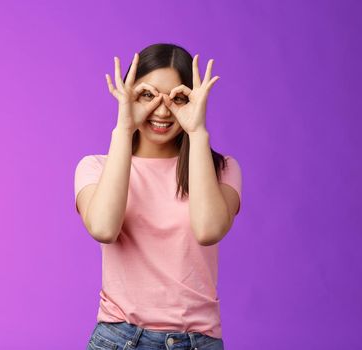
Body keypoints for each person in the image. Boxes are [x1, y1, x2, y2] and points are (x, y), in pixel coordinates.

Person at [75, 43, 241, 350]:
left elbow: (208, 230)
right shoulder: (95, 168)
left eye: (178, 97)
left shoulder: (222, 169)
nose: (163, 110)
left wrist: (197, 131)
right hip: (119, 340)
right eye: (147, 95)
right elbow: (103, 228)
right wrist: (124, 129)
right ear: (128, 96)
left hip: (197, 342)